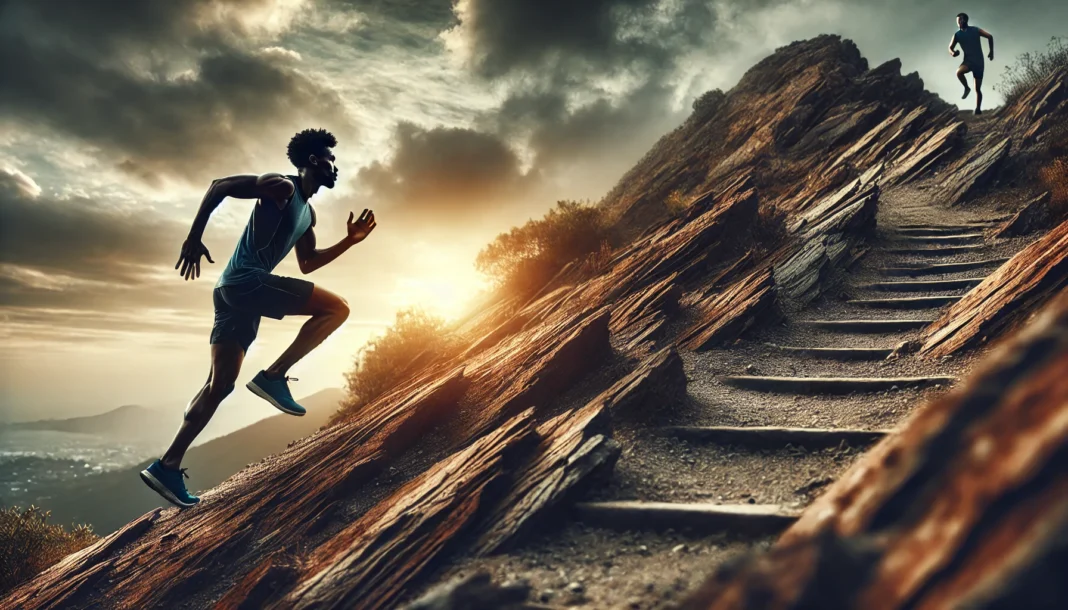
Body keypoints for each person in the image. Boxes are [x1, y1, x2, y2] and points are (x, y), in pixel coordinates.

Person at [139, 128, 377, 508]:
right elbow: (220, 186)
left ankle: (167, 465)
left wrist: (350, 240)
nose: (336, 168)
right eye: (332, 161)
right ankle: (273, 376)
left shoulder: (308, 213)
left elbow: (308, 263)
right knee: (339, 308)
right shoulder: (282, 187)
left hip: (232, 294)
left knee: (220, 386)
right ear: (314, 161)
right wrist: (193, 236)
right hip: (246, 283)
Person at [949, 12, 994, 115]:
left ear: (964, 20)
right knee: (959, 72)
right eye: (957, 21)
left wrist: (991, 52)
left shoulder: (975, 30)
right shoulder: (957, 35)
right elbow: (950, 47)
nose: (958, 23)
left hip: (978, 62)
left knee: (977, 88)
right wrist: (953, 53)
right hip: (968, 61)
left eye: (959, 20)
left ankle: (978, 108)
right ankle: (966, 87)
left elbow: (990, 36)